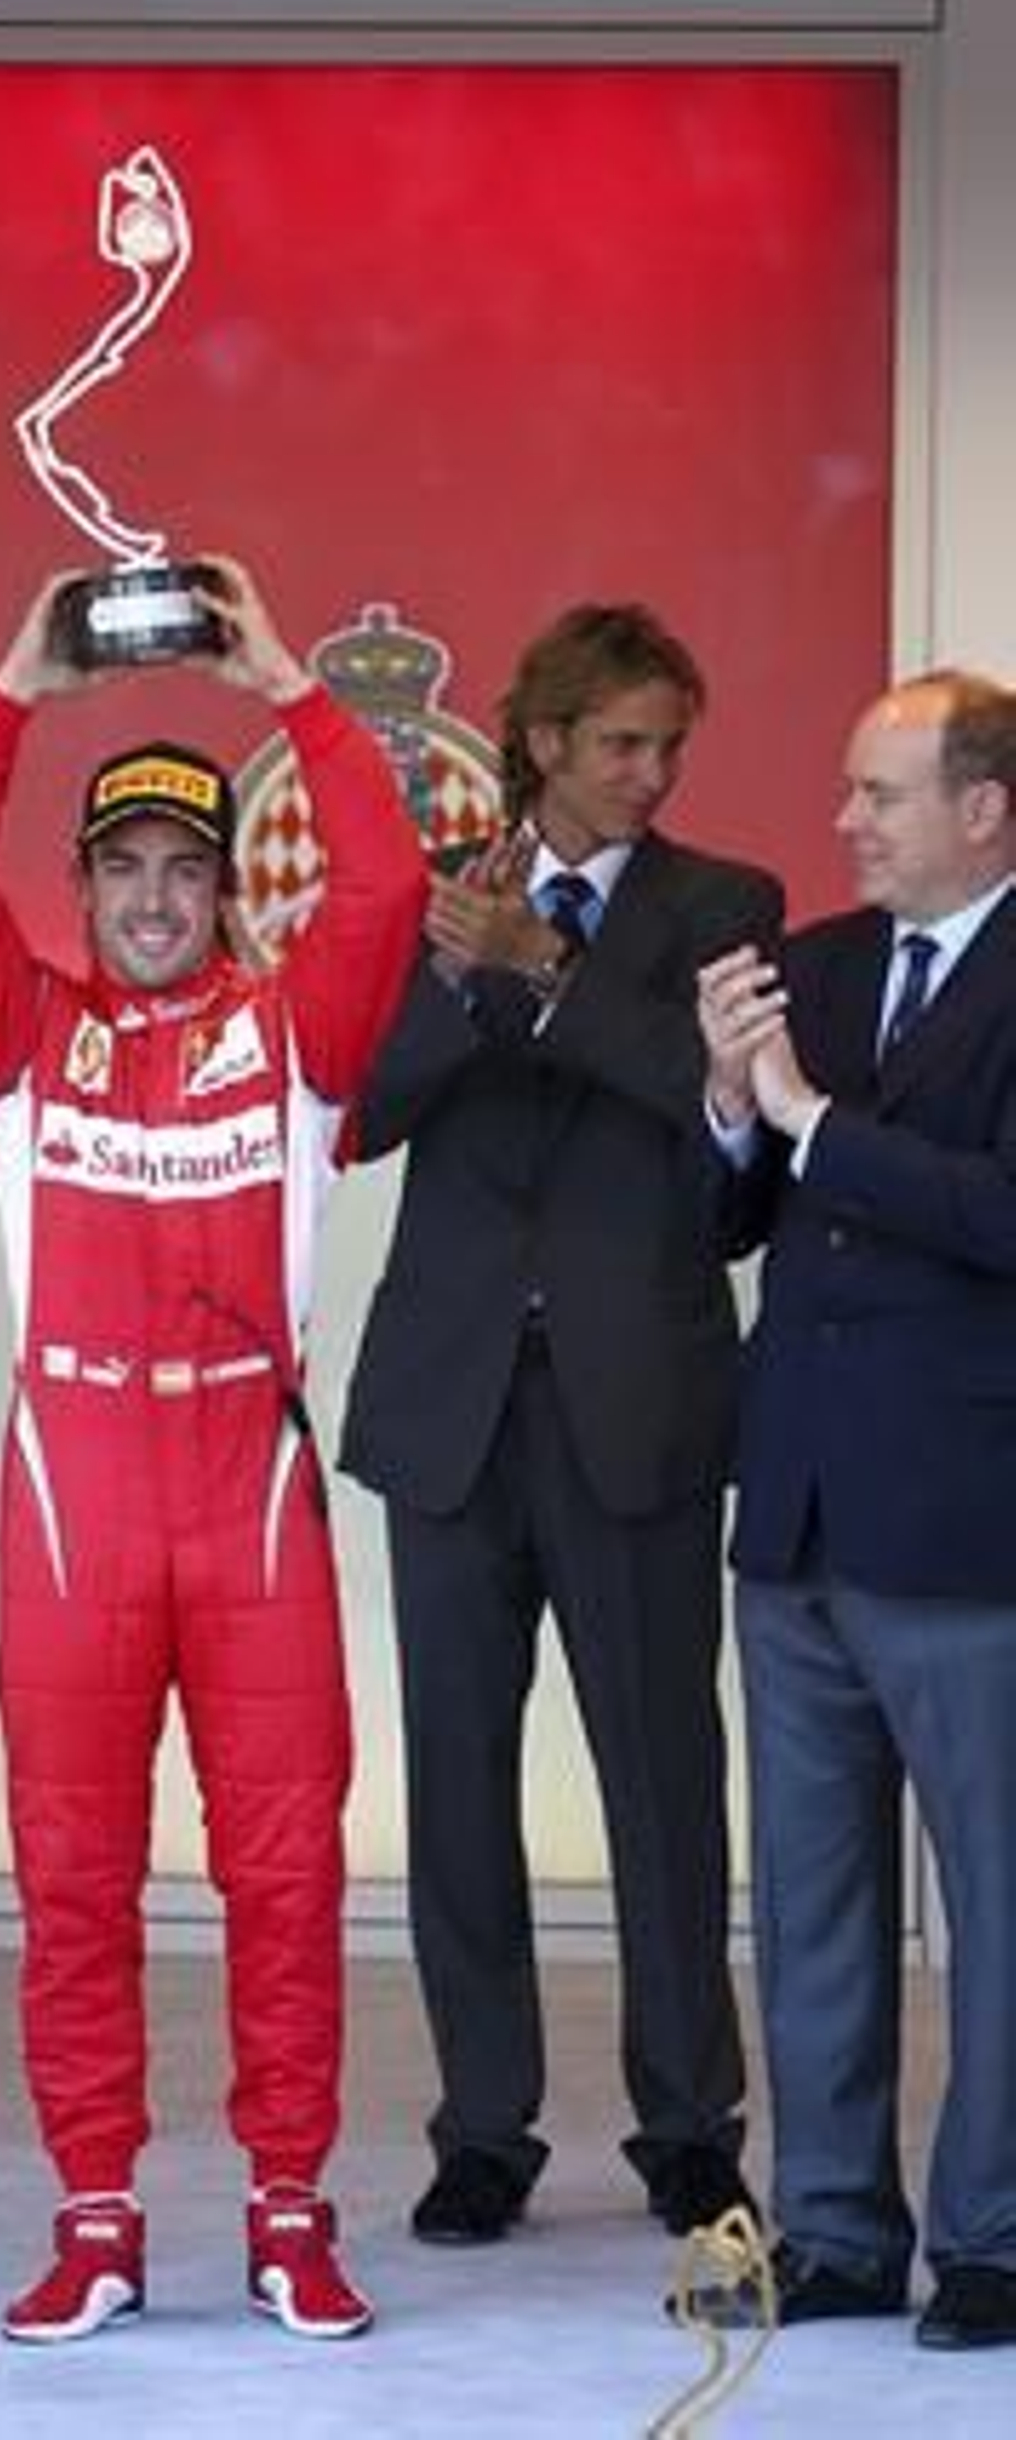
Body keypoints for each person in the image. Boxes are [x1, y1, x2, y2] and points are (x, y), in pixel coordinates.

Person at [0, 556, 425, 2345]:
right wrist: (14, 687)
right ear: (85, 883)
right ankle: (98, 2218)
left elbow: (392, 877)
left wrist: (286, 678)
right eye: (118, 866)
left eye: (183, 867)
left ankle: (289, 2210)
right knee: (72, 1875)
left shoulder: (298, 1039)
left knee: (286, 1873)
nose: (149, 897)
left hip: (247, 1494)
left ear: (224, 886)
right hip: (76, 1494)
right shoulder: (25, 1038)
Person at [339, 602, 783, 2248]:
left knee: (664, 1774)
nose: (653, 773)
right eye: (621, 745)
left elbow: (701, 1089)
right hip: (451, 1405)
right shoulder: (429, 885)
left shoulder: (726, 903)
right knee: (455, 1781)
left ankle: (689, 2127)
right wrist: (461, 981)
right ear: (542, 743)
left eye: (670, 744)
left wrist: (553, 967)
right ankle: (483, 2131)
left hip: (640, 1401)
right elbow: (363, 1111)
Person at [696, 669, 1016, 2350]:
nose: (844, 823)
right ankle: (831, 2232)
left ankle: (997, 2241)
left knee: (1000, 1904)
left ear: (985, 807)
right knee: (809, 1900)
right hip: (801, 1509)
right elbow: (733, 1219)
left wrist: (811, 1118)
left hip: (972, 1520)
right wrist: (730, 1110)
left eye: (878, 796)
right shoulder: (812, 970)